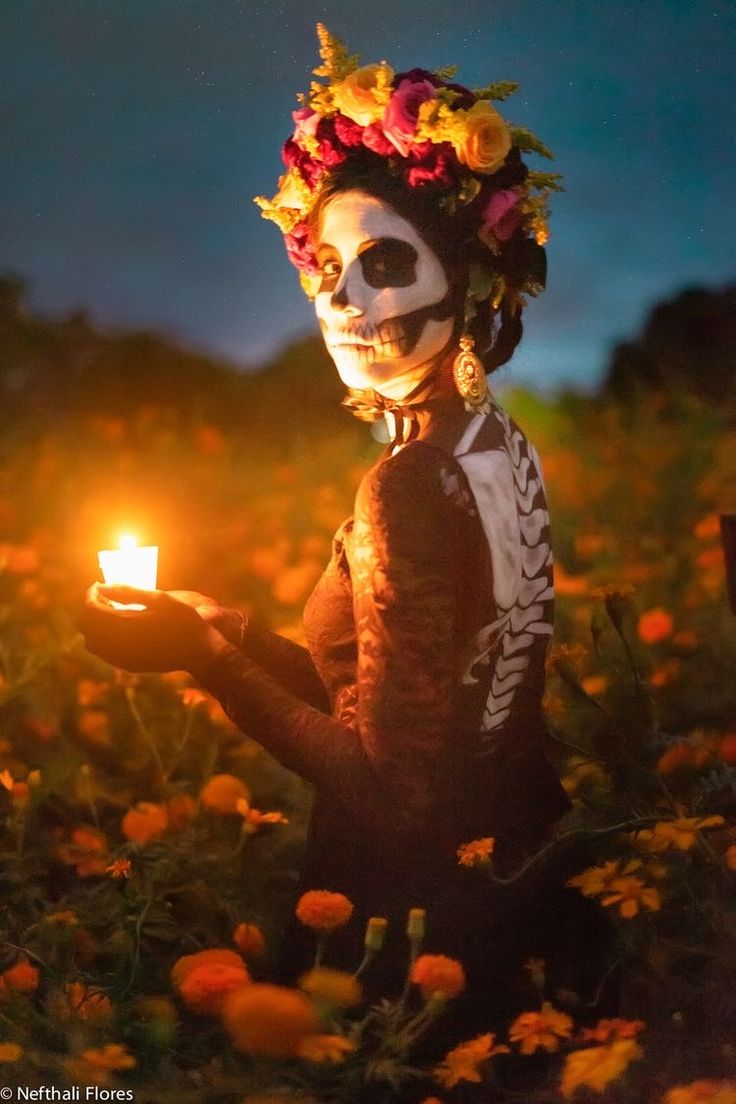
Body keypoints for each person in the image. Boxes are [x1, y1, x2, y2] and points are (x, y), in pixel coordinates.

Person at [81, 27, 578, 1032]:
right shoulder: (494, 443)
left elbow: (394, 788)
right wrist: (232, 632)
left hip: (410, 929)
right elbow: (418, 698)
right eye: (327, 267)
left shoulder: (405, 487)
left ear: (469, 282)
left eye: (383, 264)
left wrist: (205, 665)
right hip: (518, 874)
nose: (341, 300)